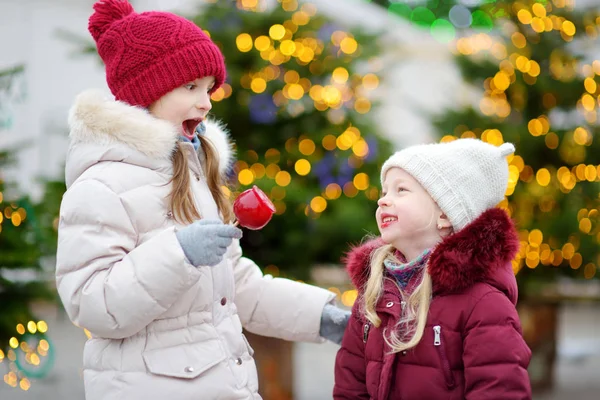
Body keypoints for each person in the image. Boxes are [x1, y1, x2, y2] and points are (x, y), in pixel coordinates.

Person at [55, 1, 348, 399]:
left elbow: (235, 285)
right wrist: (179, 254)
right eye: (190, 87)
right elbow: (94, 305)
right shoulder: (101, 186)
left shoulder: (193, 175)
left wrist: (320, 317)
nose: (206, 102)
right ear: (147, 90)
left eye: (208, 88)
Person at [333, 138, 532, 399]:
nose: (383, 201)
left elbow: (499, 389)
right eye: (384, 193)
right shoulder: (373, 293)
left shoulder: (483, 303)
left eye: (401, 190)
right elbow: (351, 386)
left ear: (445, 214)